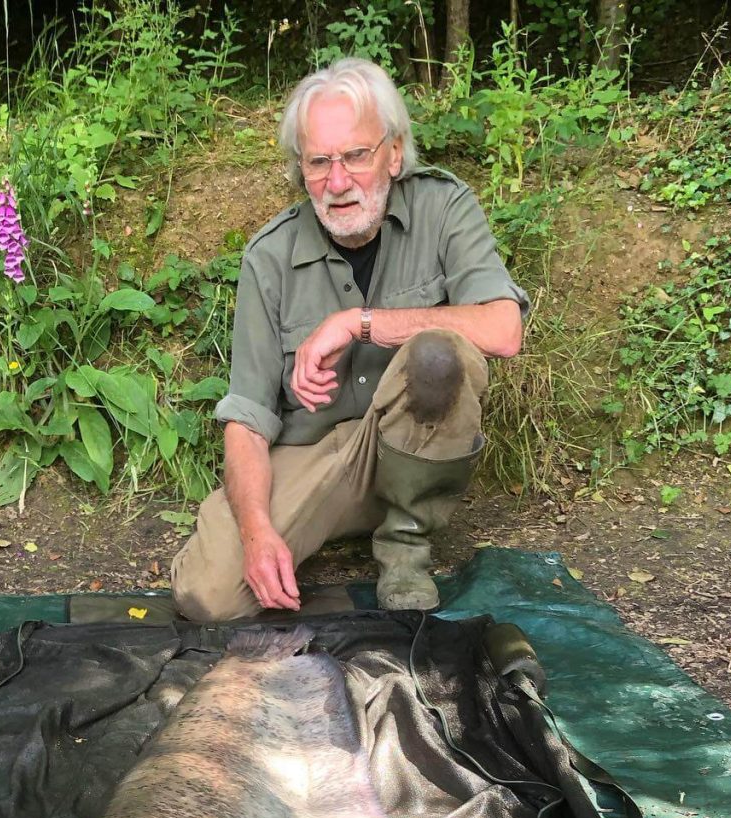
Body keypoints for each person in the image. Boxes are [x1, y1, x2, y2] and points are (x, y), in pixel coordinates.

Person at [170, 57, 529, 620]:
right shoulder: (269, 256)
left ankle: (406, 546)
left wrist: (357, 322)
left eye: (356, 156)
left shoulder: (445, 207)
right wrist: (260, 533)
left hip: (411, 444)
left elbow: (503, 330)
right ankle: (326, 526)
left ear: (393, 150)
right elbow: (246, 420)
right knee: (208, 595)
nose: (337, 183)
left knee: (440, 353)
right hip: (316, 458)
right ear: (301, 168)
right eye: (319, 162)